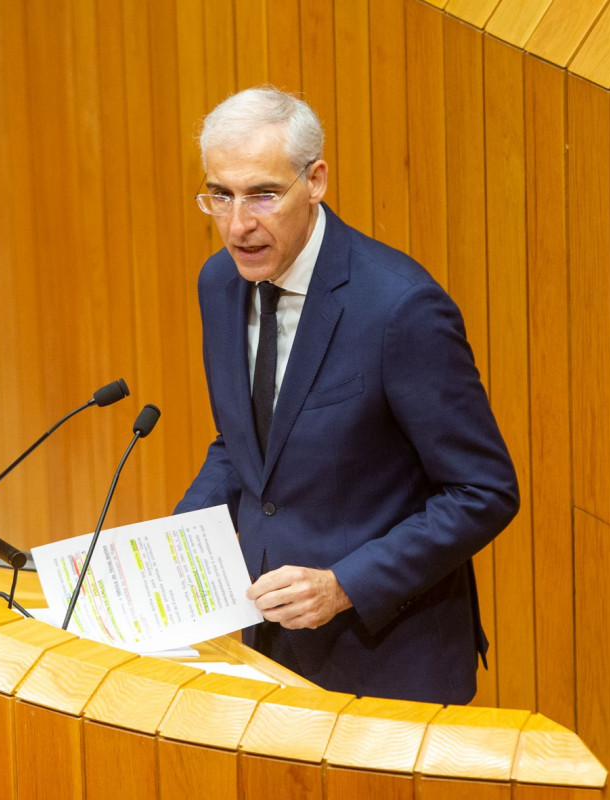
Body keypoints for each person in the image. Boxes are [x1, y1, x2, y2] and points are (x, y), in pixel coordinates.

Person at [174, 86, 519, 704]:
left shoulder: (399, 308)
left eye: (262, 194)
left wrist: (343, 584)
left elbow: (483, 491)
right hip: (264, 647)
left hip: (384, 662)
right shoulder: (220, 283)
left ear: (317, 180)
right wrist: (175, 546)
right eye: (220, 196)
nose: (237, 224)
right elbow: (244, 446)